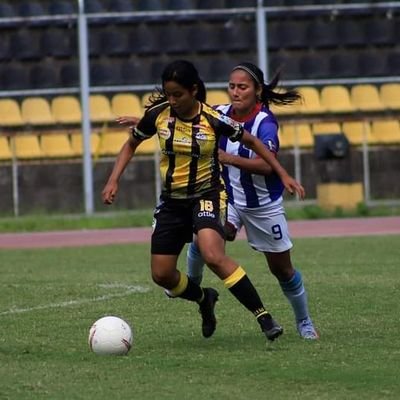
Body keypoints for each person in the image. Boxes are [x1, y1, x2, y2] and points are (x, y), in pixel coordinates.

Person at [102, 60, 305, 344]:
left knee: (213, 253)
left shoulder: (213, 118)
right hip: (172, 202)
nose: (172, 100)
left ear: (193, 90)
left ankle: (264, 317)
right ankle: (203, 298)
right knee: (162, 275)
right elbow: (132, 143)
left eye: (177, 95)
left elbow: (253, 142)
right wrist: (113, 179)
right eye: (168, 94)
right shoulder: (159, 115)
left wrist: (283, 174)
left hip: (207, 195)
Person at [186, 62, 318, 340]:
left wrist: (230, 158)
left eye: (242, 87)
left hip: (263, 206)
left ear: (257, 91)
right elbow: (182, 118)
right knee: (204, 237)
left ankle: (304, 321)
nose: (235, 92)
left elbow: (268, 165)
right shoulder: (219, 113)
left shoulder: (264, 122)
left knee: (281, 269)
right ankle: (193, 285)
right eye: (232, 86)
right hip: (227, 198)